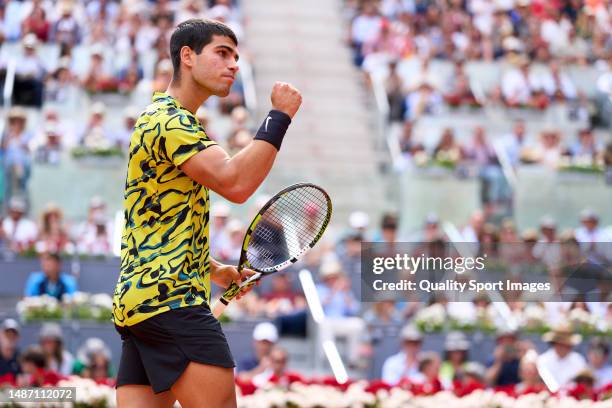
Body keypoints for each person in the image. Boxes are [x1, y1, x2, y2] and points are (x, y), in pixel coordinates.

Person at [112, 19, 301, 408]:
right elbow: (235, 183)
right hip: (173, 304)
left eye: (235, 55)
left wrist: (215, 271)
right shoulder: (171, 120)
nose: (233, 64)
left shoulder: (158, 119)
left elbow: (155, 221)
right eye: (221, 53)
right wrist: (279, 117)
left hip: (139, 306)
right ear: (187, 56)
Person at [537, 324, 587, 390]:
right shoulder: (543, 360)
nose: (563, 347)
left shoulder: (578, 360)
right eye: (560, 344)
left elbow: (582, 383)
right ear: (554, 344)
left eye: (566, 345)